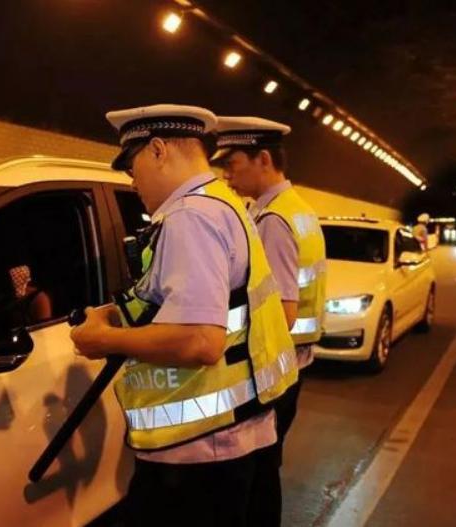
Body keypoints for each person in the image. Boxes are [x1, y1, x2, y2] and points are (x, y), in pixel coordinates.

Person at [70, 105, 298, 527]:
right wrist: (118, 313)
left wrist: (103, 340)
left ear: (158, 150)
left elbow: (200, 341)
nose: (132, 181)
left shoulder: (190, 216)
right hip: (239, 432)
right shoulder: (222, 203)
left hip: (200, 453)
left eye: (132, 167)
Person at [212, 116, 327, 509]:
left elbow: (282, 313)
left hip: (273, 369)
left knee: (258, 472)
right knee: (266, 467)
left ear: (263, 159)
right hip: (294, 363)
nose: (226, 175)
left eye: (232, 164)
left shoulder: (273, 221)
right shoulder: (299, 210)